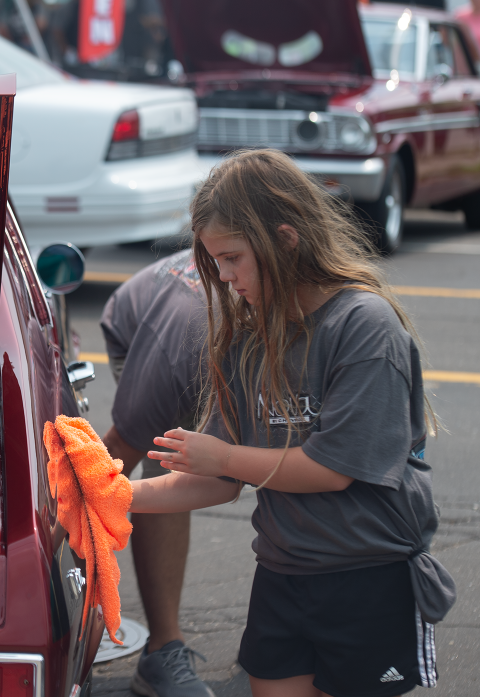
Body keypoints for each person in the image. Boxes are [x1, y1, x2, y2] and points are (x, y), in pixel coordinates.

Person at [129, 149, 456, 697]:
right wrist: (112, 496)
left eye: (232, 258)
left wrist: (224, 458)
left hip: (366, 577)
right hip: (282, 574)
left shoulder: (363, 326)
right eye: (216, 264)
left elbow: (334, 469)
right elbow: (215, 480)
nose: (226, 278)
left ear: (285, 239)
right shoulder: (248, 336)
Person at [100, 249, 215, 697]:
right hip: (146, 329)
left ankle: (286, 625)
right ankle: (163, 649)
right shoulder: (184, 338)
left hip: (212, 341)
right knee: (167, 458)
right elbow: (114, 456)